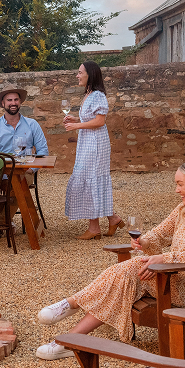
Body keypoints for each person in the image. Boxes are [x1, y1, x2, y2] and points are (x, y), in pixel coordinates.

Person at [36, 159, 185, 360]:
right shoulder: (182, 210)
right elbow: (159, 233)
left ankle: (72, 305)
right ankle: (71, 339)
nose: (176, 190)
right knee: (123, 280)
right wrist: (145, 241)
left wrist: (165, 258)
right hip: (174, 276)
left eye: (180, 184)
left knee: (127, 271)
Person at [64, 61, 124, 239]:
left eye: (80, 72)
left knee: (91, 181)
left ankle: (95, 228)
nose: (77, 75)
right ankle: (111, 219)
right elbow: (91, 118)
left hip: (96, 144)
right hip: (88, 142)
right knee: (88, 180)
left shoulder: (97, 95)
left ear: (90, 74)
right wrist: (75, 118)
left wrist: (76, 126)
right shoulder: (89, 94)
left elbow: (99, 121)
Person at [0, 87, 49, 232]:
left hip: (24, 171)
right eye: (9, 100)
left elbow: (43, 152)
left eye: (16, 100)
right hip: (1, 172)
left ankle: (1, 224)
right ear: (2, 103)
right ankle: (8, 222)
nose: (13, 103)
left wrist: (32, 169)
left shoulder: (32, 125)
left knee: (20, 182)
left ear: (20, 102)